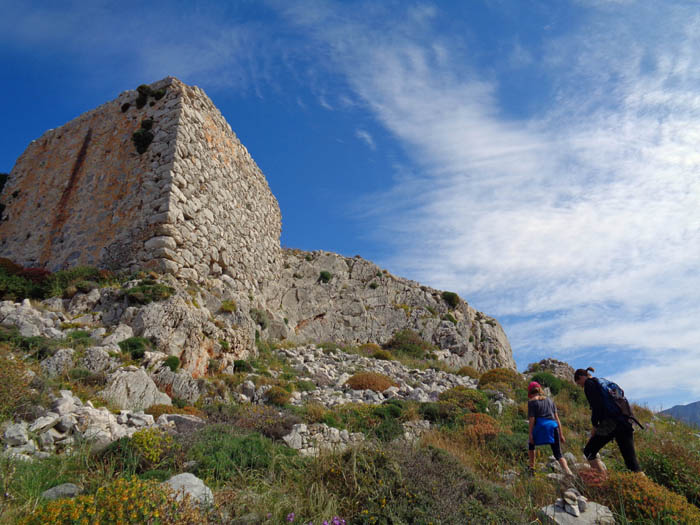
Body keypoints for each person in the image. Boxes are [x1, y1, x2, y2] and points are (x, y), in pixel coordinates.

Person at [574, 367, 641, 473]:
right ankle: (646, 487)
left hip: (612, 423)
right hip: (625, 420)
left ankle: (602, 481)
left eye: (579, 383)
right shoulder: (602, 382)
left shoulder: (589, 384)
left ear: (581, 377)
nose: (581, 386)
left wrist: (595, 426)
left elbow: (597, 407)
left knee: (589, 451)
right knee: (631, 462)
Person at [528, 381, 573, 475]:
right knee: (558, 454)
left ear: (530, 393)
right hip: (553, 427)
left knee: (531, 445)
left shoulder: (532, 402)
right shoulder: (550, 401)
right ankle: (569, 473)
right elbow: (557, 419)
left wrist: (530, 434)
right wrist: (561, 434)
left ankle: (532, 468)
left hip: (541, 426)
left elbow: (532, 419)